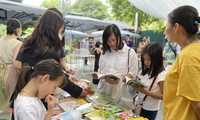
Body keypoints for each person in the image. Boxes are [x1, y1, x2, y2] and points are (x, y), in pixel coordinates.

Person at [13, 8, 88, 98]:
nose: (61, 36)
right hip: (38, 94)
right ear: (52, 29)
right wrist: (77, 91)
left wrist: (67, 76)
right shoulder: (49, 51)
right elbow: (55, 75)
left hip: (24, 90)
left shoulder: (30, 41)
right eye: (61, 32)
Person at [164, 5, 200, 120]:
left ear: (176, 27)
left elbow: (198, 105)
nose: (165, 29)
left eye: (166, 24)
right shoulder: (192, 51)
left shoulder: (188, 56)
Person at [96, 24, 138, 110]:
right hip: (104, 91)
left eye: (113, 40)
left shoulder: (130, 52)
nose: (111, 43)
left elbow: (133, 73)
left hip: (121, 93)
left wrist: (121, 79)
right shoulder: (104, 52)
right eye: (108, 41)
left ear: (119, 36)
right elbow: (100, 69)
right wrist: (99, 75)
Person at [133, 42, 166, 120]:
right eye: (144, 59)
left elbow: (164, 96)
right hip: (138, 104)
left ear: (157, 59)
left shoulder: (162, 75)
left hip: (150, 109)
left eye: (149, 60)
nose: (146, 62)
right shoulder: (144, 71)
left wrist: (146, 92)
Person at [0, 18, 22, 114]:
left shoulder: (0, 40)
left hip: (0, 71)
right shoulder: (18, 43)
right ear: (17, 30)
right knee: (12, 102)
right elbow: (16, 63)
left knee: (3, 102)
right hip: (11, 73)